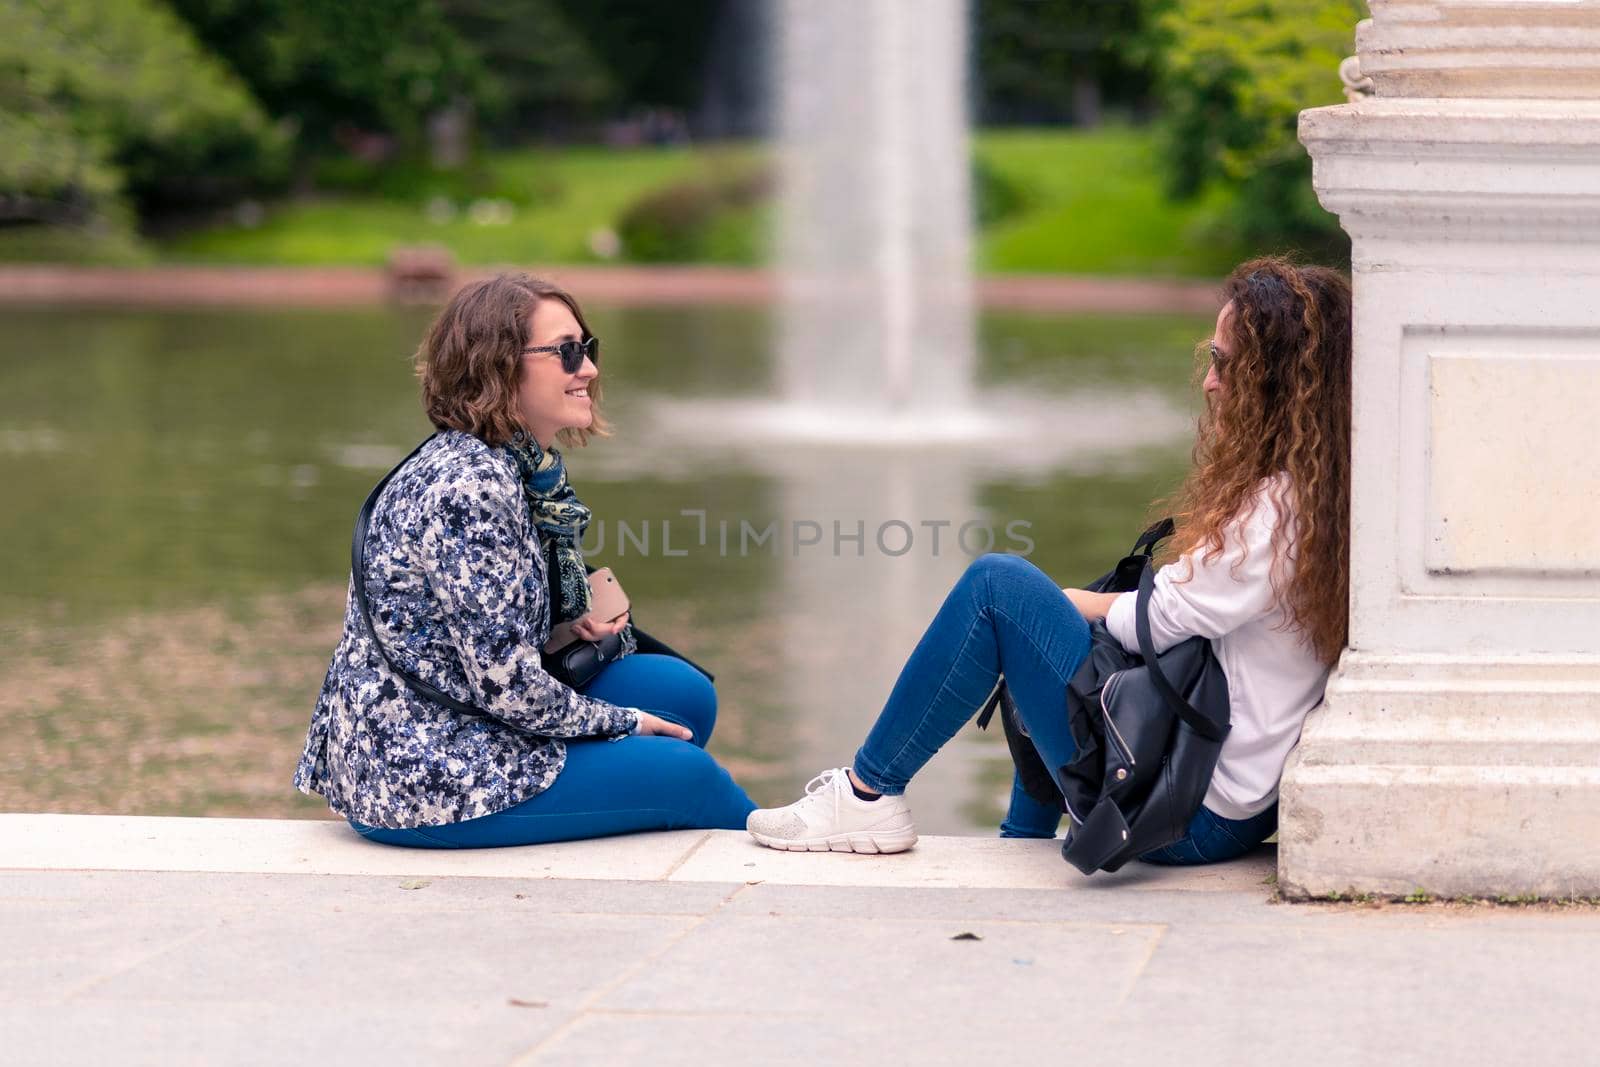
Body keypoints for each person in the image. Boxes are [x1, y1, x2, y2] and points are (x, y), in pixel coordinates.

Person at [747, 257, 1352, 864]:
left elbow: (1161, 620)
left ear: (1274, 380)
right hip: (1227, 800)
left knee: (1000, 589)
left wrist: (1078, 602)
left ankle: (867, 793)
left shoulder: (1275, 506)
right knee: (1047, 630)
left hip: (1186, 813)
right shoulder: (1324, 490)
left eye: (1224, 362)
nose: (1210, 381)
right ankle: (1020, 839)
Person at [294, 273, 756, 847]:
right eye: (566, 352)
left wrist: (561, 632)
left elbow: (474, 638)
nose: (587, 368)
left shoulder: (513, 464)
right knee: (690, 778)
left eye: (587, 349)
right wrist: (625, 724)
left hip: (457, 718)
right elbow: (508, 688)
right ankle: (799, 863)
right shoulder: (471, 486)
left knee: (679, 695)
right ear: (498, 364)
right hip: (424, 774)